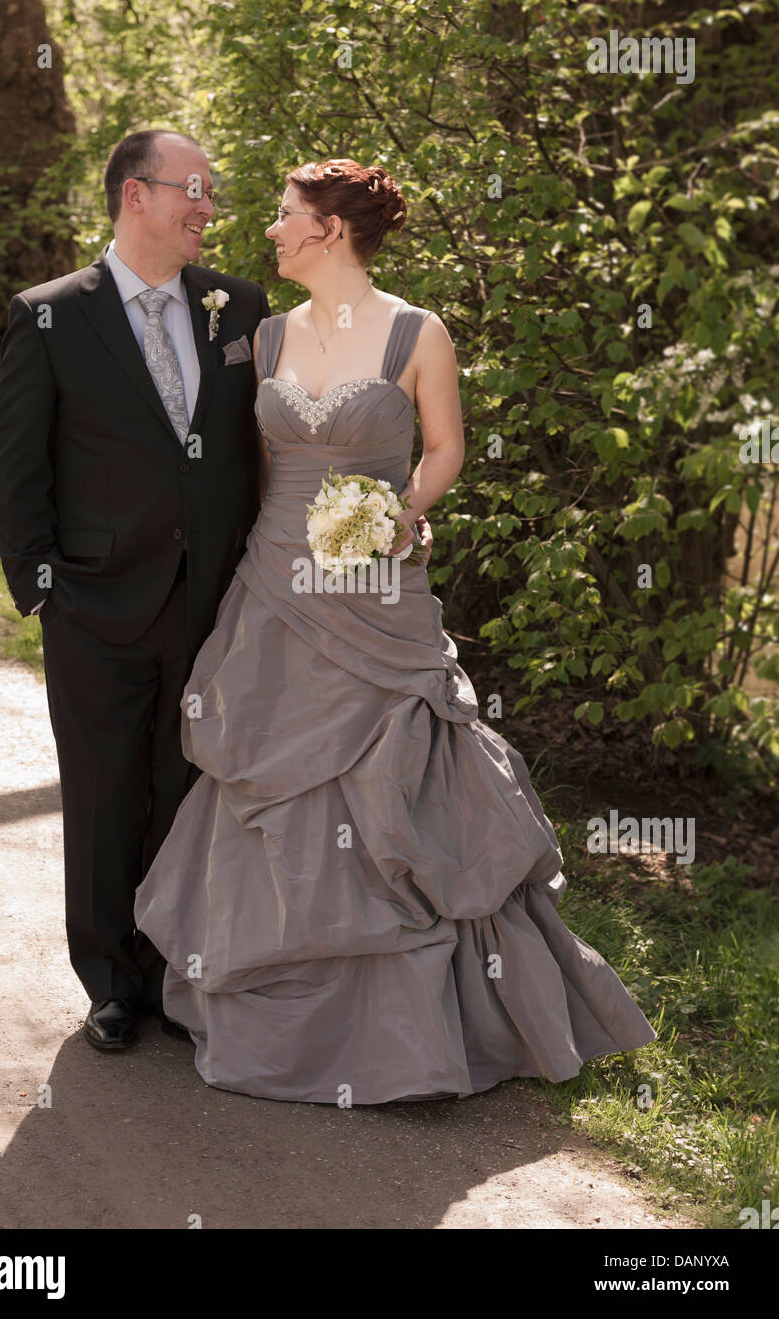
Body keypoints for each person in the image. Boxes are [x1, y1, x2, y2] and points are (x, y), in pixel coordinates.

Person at [134, 157, 656, 1104]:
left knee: (392, 779)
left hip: (378, 590)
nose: (271, 230)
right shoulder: (267, 331)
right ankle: (271, 997)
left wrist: (398, 514)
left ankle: (421, 1032)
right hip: (277, 591)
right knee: (268, 780)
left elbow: (446, 446)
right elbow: (250, 467)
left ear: (330, 228)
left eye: (286, 216)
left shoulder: (419, 331)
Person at [0, 131, 276, 1050]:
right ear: (133, 197)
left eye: (211, 190)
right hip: (94, 602)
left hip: (213, 601)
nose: (207, 205)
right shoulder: (48, 316)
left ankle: (178, 975)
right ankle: (111, 983)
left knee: (188, 788)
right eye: (191, 188)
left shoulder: (240, 309)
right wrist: (41, 586)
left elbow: (264, 449)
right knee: (107, 793)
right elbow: (18, 465)